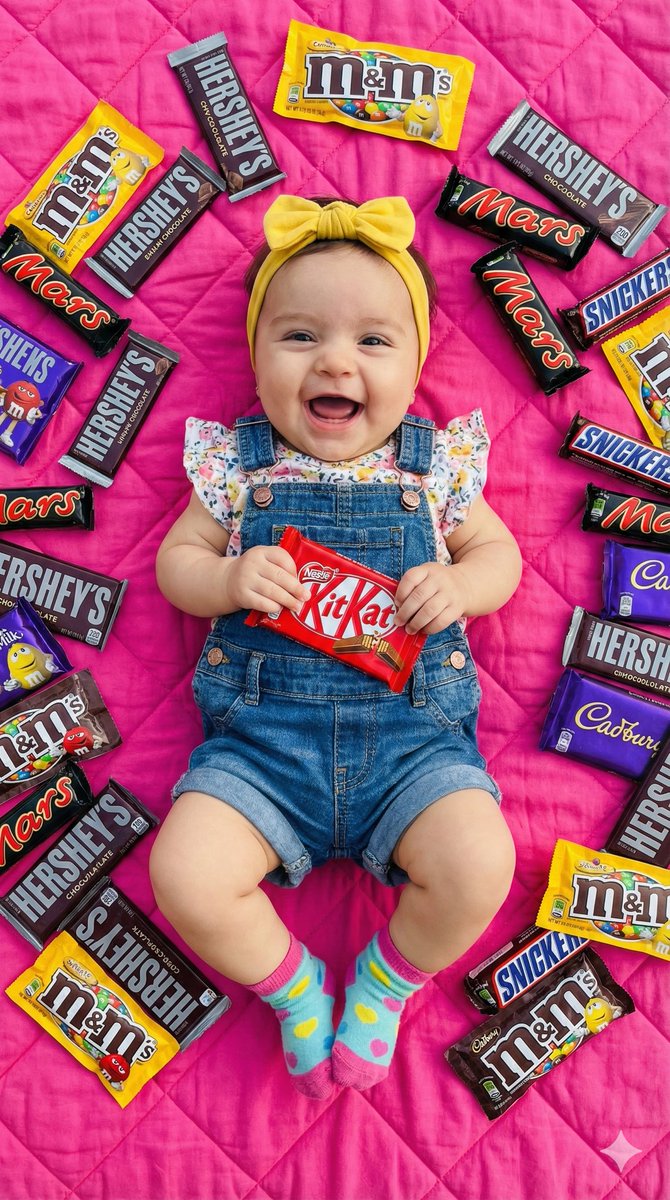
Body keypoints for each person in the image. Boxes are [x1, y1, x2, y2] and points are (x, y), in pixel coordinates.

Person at [150, 194, 522, 1100]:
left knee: (482, 863)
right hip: (260, 754)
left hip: (413, 749)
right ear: (255, 356)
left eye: (373, 341)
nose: (335, 361)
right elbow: (176, 565)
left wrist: (463, 586)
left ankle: (388, 981)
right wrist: (227, 579)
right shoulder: (236, 468)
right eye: (300, 335)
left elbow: (500, 556)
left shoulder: (434, 470)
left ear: (417, 365)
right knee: (184, 875)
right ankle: (294, 986)